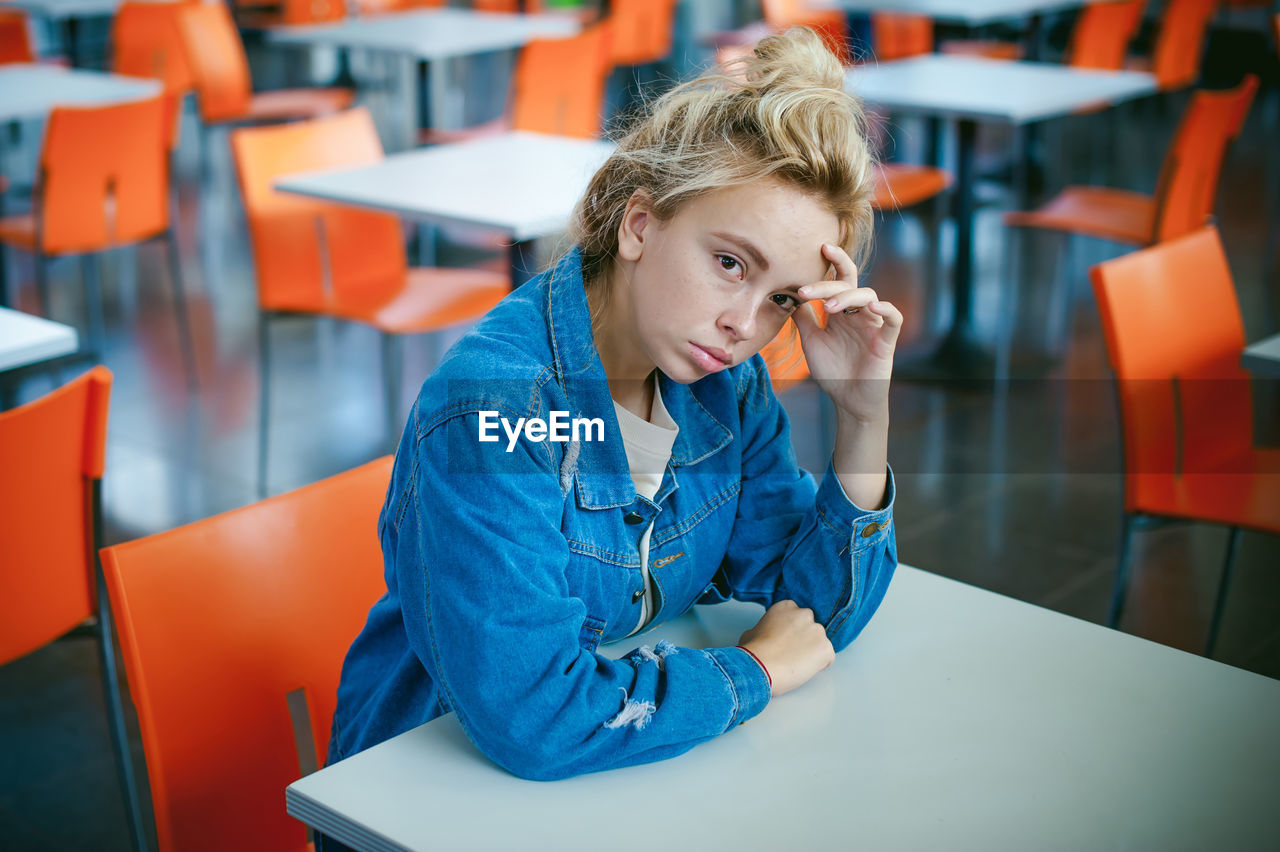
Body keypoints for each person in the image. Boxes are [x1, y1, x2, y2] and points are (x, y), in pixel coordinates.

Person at [327, 26, 900, 784]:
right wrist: (752, 671)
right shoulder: (494, 410)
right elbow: (535, 715)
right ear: (640, 225)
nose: (746, 326)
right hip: (425, 789)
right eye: (730, 264)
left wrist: (862, 420)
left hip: (610, 771)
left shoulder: (725, 384)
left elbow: (812, 615)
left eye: (783, 299)